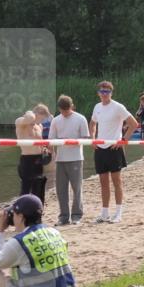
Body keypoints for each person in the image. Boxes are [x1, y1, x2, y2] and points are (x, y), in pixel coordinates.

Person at [90, 81, 138, 223]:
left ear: (111, 93)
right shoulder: (97, 107)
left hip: (114, 148)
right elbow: (92, 123)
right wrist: (92, 138)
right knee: (103, 182)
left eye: (107, 92)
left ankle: (118, 213)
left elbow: (134, 124)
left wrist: (123, 140)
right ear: (98, 93)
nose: (104, 94)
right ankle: (104, 213)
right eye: (102, 92)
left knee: (117, 182)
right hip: (100, 148)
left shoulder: (118, 107)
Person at [49, 95, 89, 225]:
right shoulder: (55, 120)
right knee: (61, 189)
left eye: (67, 110)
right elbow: (51, 140)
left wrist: (72, 141)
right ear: (59, 109)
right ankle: (63, 216)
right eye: (62, 111)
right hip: (60, 159)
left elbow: (85, 138)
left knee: (76, 187)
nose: (65, 113)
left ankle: (77, 215)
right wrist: (52, 153)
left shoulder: (80, 118)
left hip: (76, 158)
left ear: (72, 106)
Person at [15, 105, 50, 204]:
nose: (42, 121)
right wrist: (31, 114)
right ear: (37, 114)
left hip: (38, 159)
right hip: (26, 159)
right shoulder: (21, 122)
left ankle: (38, 211)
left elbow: (41, 142)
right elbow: (29, 118)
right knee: (25, 188)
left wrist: (44, 149)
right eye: (42, 118)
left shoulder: (40, 126)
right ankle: (22, 213)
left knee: (38, 188)